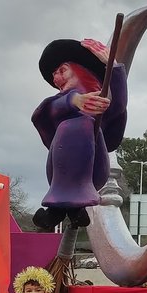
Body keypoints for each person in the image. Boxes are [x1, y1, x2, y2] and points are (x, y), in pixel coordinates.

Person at [31, 37, 126, 230]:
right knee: (72, 124)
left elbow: (118, 105)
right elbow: (48, 111)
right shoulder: (57, 105)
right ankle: (62, 210)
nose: (56, 79)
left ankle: (74, 203)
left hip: (93, 170)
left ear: (80, 70)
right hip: (59, 172)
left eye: (62, 70)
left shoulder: (101, 104)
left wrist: (112, 66)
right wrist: (74, 101)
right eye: (54, 74)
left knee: (82, 123)